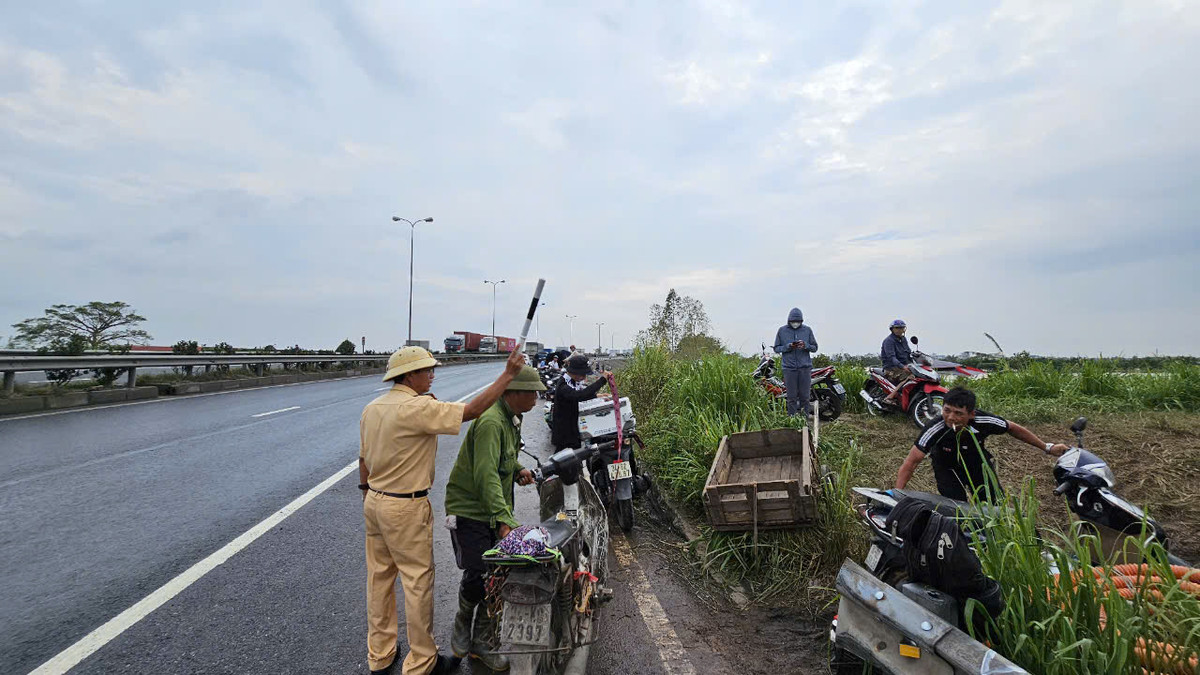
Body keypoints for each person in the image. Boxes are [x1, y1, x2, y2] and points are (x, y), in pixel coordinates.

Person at [359, 346, 525, 675]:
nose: (432, 373)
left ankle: (380, 654)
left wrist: (368, 494)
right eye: (426, 370)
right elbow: (472, 410)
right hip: (405, 505)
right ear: (408, 375)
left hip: (374, 500)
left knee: (379, 581)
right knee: (417, 583)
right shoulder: (416, 408)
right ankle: (422, 662)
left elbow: (363, 460)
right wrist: (507, 375)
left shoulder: (374, 408)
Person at [443, 365, 545, 670]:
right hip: (471, 510)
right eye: (533, 393)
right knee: (478, 573)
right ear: (514, 393)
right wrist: (504, 520)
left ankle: (482, 642)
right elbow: (485, 474)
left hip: (492, 507)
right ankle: (463, 623)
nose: (537, 398)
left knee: (497, 574)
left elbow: (505, 456)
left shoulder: (511, 418)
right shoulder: (490, 421)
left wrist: (517, 470)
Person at [894, 386, 1070, 502]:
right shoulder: (936, 428)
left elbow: (1013, 428)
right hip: (946, 467)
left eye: (958, 413)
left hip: (977, 464)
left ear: (971, 414)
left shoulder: (983, 420)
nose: (951, 417)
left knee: (994, 505)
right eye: (947, 410)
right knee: (956, 507)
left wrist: (1047, 447)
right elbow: (911, 462)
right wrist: (896, 494)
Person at [550, 355, 611, 451]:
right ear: (576, 372)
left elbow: (580, 395)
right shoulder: (563, 386)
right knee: (564, 462)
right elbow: (579, 396)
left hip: (572, 432)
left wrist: (598, 396)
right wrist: (602, 380)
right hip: (564, 435)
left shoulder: (572, 382)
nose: (584, 377)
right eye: (583, 374)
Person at [772, 307, 819, 416]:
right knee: (791, 397)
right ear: (789, 320)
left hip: (805, 368)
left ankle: (804, 421)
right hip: (789, 368)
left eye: (798, 322)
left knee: (805, 397)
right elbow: (776, 348)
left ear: (801, 321)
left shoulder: (807, 330)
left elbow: (815, 347)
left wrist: (805, 345)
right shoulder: (782, 331)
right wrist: (788, 347)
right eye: (793, 322)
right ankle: (792, 420)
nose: (795, 324)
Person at [880, 319, 914, 407]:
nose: (900, 330)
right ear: (892, 329)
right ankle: (890, 397)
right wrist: (903, 367)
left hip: (903, 367)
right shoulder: (889, 341)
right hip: (891, 368)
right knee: (909, 377)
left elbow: (908, 353)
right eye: (897, 328)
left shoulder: (903, 339)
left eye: (902, 328)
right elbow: (891, 357)